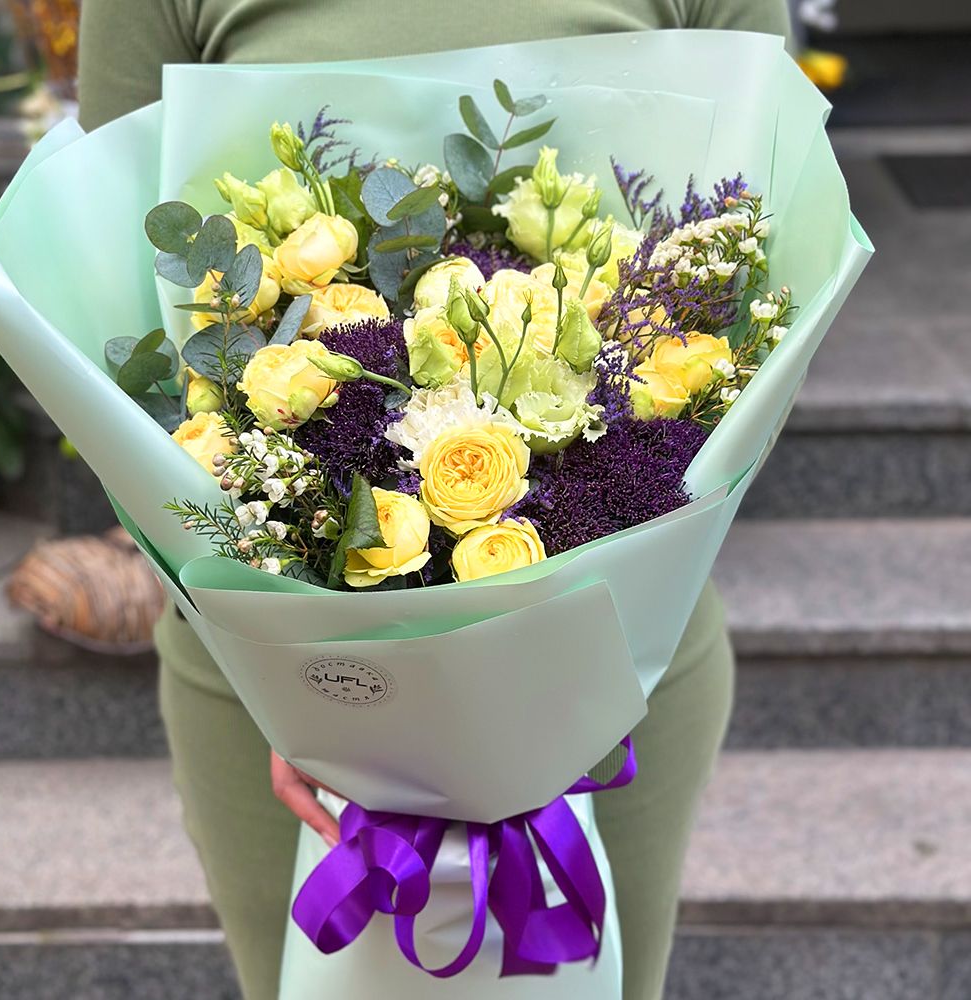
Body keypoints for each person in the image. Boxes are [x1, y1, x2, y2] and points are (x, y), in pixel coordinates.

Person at [78, 3, 790, 998]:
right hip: (272, 704)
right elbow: (108, 283)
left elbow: (757, 288)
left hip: (613, 687)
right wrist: (304, 696)